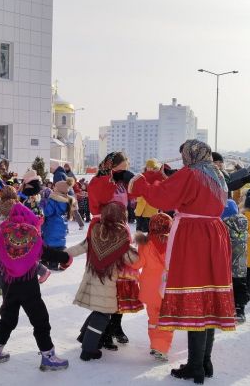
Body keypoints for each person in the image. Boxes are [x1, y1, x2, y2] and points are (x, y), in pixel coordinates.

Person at [130, 140, 235, 384]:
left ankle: (195, 366)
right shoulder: (216, 173)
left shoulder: (191, 173)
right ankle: (205, 362)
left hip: (194, 234)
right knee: (208, 298)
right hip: (214, 233)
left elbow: (163, 198)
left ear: (190, 155)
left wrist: (141, 184)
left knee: (194, 297)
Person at [0, 203, 71, 371]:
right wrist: (65, 257)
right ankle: (48, 356)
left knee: (8, 317)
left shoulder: (5, 234)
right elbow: (47, 252)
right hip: (28, 284)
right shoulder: (32, 234)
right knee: (40, 319)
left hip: (7, 283)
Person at [68, 201, 138, 361]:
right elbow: (130, 259)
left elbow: (81, 247)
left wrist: (62, 255)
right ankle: (88, 349)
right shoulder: (121, 235)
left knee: (98, 310)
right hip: (109, 280)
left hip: (93, 276)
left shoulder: (96, 230)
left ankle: (83, 338)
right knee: (103, 314)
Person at [87, 151, 135, 345]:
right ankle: (102, 329)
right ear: (110, 167)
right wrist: (109, 179)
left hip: (121, 232)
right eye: (120, 169)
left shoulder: (122, 183)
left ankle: (116, 324)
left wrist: (135, 179)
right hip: (103, 232)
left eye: (126, 169)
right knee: (105, 282)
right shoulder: (97, 181)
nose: (122, 173)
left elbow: (139, 195)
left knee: (122, 282)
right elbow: (97, 202)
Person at [131, 213, 175, 361]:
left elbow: (137, 264)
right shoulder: (175, 242)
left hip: (150, 290)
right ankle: (161, 348)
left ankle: (155, 345)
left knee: (153, 318)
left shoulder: (145, 243)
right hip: (168, 288)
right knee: (167, 319)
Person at [41, 180, 74, 270]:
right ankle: (64, 258)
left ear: (58, 189)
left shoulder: (53, 199)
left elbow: (48, 212)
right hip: (62, 227)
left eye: (55, 186)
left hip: (52, 227)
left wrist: (44, 203)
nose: (53, 188)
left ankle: (53, 263)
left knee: (51, 246)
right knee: (59, 244)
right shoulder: (67, 200)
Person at [135, 159, 165, 233]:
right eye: (148, 167)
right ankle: (138, 243)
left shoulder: (159, 177)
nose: (149, 169)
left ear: (155, 168)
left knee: (150, 229)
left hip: (151, 207)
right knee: (139, 229)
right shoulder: (141, 176)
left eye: (152, 167)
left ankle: (149, 243)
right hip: (140, 207)